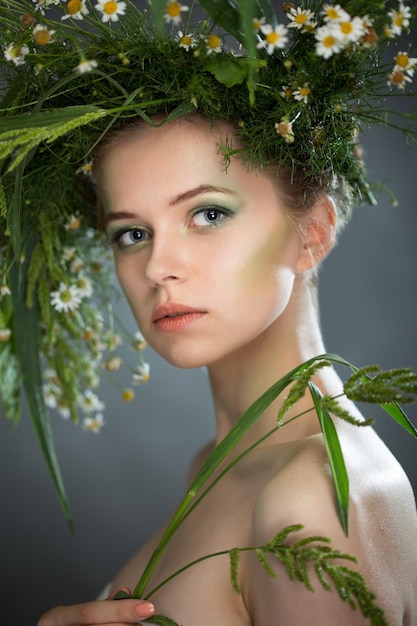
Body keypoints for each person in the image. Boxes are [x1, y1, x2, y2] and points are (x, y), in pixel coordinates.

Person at [0, 1, 416, 625]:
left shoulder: (314, 494)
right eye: (131, 233)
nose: (156, 267)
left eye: (208, 214)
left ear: (314, 231)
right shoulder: (220, 461)